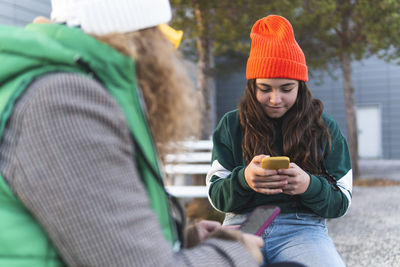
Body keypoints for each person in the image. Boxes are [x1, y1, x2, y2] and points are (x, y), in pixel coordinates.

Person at [0, 0, 265, 266]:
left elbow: (94, 239)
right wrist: (236, 255)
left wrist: (182, 241)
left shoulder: (62, 85)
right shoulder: (63, 101)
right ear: (144, 38)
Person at [206, 15, 353, 267]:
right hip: (242, 226)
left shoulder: (324, 127)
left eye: (286, 89)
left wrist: (309, 185)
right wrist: (244, 180)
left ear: (301, 85)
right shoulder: (231, 125)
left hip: (303, 229)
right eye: (265, 88)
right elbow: (215, 195)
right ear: (252, 86)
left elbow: (342, 202)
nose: (275, 99)